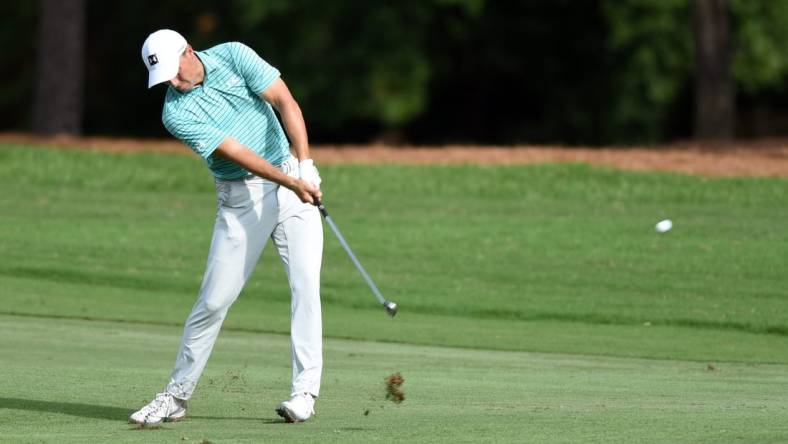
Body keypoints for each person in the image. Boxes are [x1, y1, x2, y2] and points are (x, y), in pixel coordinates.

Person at [130, 29, 324, 425]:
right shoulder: (176, 113)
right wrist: (291, 182)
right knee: (214, 301)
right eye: (163, 77)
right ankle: (176, 396)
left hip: (291, 178)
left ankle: (305, 393)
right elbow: (238, 153)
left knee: (305, 287)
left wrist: (304, 165)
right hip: (241, 200)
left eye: (174, 71)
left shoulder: (234, 55)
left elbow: (285, 101)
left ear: (189, 51)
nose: (172, 82)